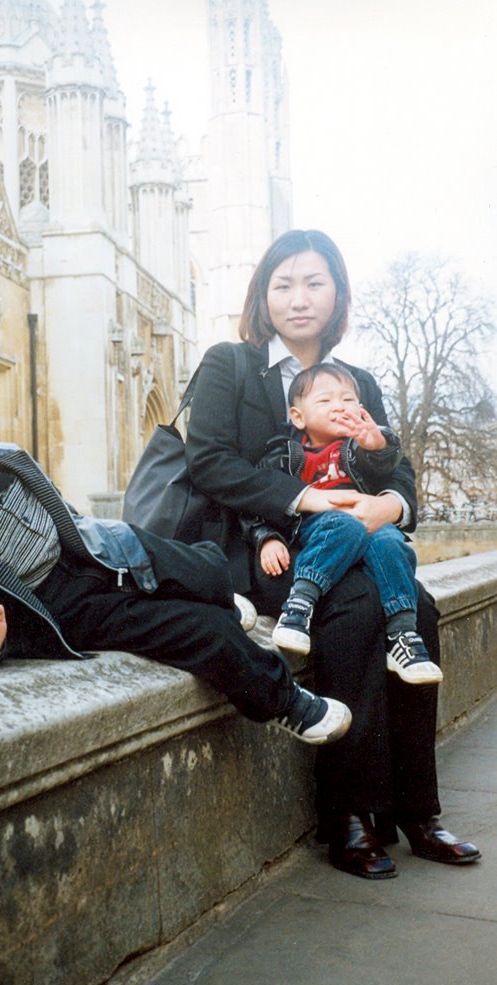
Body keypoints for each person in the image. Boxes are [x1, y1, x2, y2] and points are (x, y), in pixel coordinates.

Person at [185, 228, 481, 878]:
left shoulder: (358, 381)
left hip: (361, 538)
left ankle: (416, 810)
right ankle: (345, 811)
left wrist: (388, 506)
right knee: (351, 612)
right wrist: (304, 500)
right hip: (271, 551)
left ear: (337, 294)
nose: (298, 298)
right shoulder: (230, 367)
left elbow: (392, 468)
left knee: (420, 615)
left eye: (314, 282)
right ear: (263, 294)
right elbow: (207, 463)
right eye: (283, 283)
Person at [0, 369, 353, 751]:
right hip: (59, 607)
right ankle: (287, 703)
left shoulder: (14, 462)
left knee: (196, 562)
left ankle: (221, 599)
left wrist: (102, 545)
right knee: (200, 630)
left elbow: (59, 513)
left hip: (83, 555)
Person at [256, 361, 442, 685]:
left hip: (367, 527)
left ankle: (402, 635)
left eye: (347, 400)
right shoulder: (284, 454)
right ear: (298, 417)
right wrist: (267, 537)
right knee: (347, 526)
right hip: (317, 528)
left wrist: (378, 445)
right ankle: (299, 606)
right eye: (325, 401)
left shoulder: (358, 449)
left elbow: (387, 468)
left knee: (390, 540)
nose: (339, 406)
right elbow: (261, 500)